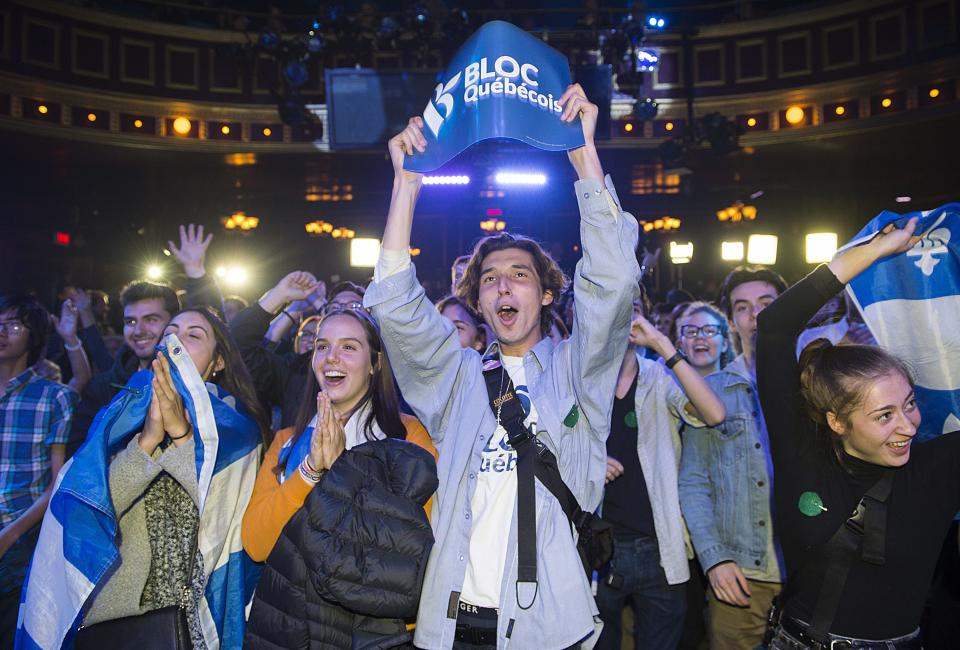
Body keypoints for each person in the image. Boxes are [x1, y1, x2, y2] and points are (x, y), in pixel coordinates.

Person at [364, 84, 640, 649]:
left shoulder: (576, 373)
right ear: (480, 302)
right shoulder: (459, 379)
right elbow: (395, 306)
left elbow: (612, 283)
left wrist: (583, 155)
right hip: (454, 620)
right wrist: (406, 186)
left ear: (544, 294)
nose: (503, 285)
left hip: (547, 625)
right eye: (489, 279)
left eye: (519, 274)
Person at [757, 216, 960, 647]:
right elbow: (775, 326)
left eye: (909, 404)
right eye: (885, 416)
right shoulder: (803, 455)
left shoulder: (940, 467)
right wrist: (875, 251)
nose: (908, 426)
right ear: (837, 421)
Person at [18, 306, 267, 649]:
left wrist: (182, 436)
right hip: (109, 609)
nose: (176, 342)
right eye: (170, 334)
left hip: (183, 617)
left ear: (218, 362)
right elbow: (94, 505)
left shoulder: (237, 432)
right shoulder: (123, 409)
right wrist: (147, 441)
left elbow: (212, 518)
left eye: (193, 336)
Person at [243, 304, 438, 648]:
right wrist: (310, 471)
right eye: (322, 346)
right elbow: (257, 545)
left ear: (375, 363)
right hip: (294, 626)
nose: (331, 357)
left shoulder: (410, 439)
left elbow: (414, 549)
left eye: (349, 347)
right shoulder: (287, 442)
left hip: (376, 631)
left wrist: (341, 470)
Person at [596, 293, 725, 650]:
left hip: (660, 549)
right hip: (599, 550)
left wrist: (664, 345)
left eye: (632, 311)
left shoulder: (660, 377)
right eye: (612, 308)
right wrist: (587, 464)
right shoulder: (579, 384)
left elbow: (714, 414)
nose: (622, 319)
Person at [677, 294, 785, 649]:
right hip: (703, 549)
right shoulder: (660, 386)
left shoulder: (776, 384)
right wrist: (715, 557)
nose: (699, 338)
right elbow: (693, 482)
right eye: (689, 331)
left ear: (725, 338)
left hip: (776, 558)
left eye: (708, 330)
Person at [68, 224, 221, 456]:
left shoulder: (196, 385)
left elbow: (216, 329)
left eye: (151, 319)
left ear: (173, 324)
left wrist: (196, 274)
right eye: (130, 321)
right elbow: (78, 453)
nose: (138, 329)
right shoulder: (104, 387)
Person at [0, 296, 76, 647]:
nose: (2, 331)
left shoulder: (54, 397)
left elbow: (56, 482)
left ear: (34, 337)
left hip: (21, 535)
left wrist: (10, 535)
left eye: (13, 324)